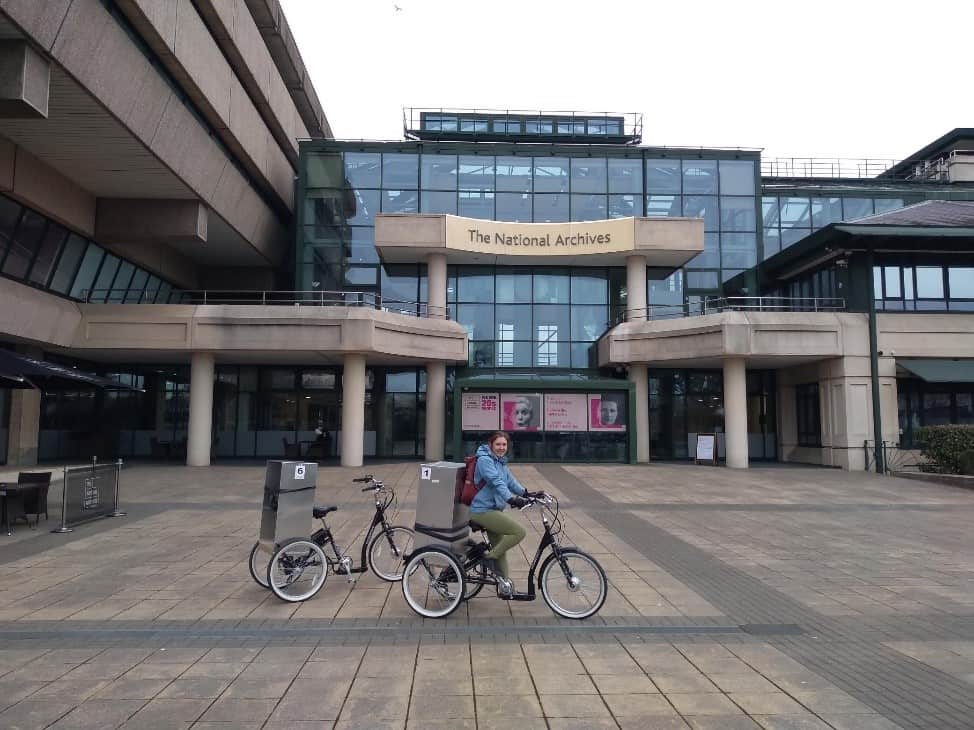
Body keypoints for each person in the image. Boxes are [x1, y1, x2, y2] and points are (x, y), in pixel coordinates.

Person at [470, 431, 545, 596]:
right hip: (481, 510)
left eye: (504, 445)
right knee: (519, 532)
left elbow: (510, 482)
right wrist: (511, 500)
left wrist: (527, 493)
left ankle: (505, 585)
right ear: (491, 445)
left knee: (500, 548)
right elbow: (496, 482)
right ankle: (488, 558)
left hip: (492, 509)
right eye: (498, 444)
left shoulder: (500, 461)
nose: (501, 447)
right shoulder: (485, 460)